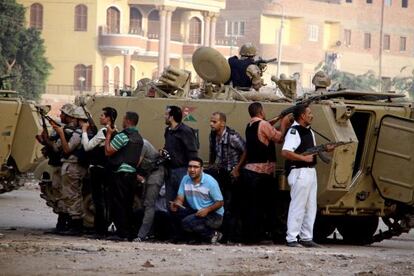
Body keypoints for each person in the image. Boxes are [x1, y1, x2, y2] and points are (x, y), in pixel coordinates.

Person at [282, 104, 332, 248]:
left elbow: (312, 150)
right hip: (299, 171)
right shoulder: (294, 131)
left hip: (310, 171)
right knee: (298, 206)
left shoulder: (309, 131)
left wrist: (325, 149)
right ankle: (291, 238)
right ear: (302, 116)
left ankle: (306, 237)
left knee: (310, 207)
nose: (312, 115)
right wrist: (303, 159)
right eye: (309, 113)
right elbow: (285, 152)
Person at [241, 102, 282, 244]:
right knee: (261, 207)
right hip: (261, 173)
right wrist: (284, 124)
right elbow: (278, 138)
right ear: (261, 112)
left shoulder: (250, 125)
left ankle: (250, 236)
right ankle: (258, 237)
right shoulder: (264, 125)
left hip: (250, 171)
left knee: (251, 206)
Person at [207, 111, 246, 242]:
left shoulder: (232, 137)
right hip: (222, 173)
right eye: (211, 121)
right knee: (221, 203)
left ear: (222, 123)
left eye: (214, 122)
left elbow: (246, 150)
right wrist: (212, 165)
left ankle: (233, 236)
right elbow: (213, 152)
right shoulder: (213, 135)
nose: (211, 124)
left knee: (232, 206)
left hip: (233, 175)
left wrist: (237, 168)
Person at [37, 103, 76, 233]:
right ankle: (62, 225)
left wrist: (48, 141)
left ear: (70, 116)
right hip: (59, 165)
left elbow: (56, 147)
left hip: (62, 166)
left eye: (64, 114)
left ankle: (66, 225)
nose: (61, 116)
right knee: (61, 195)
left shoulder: (68, 132)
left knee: (64, 196)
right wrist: (45, 140)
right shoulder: (65, 130)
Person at [105, 111, 144, 241]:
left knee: (118, 204)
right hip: (132, 173)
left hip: (121, 173)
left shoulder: (123, 136)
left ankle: (121, 232)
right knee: (128, 204)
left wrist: (109, 135)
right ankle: (129, 232)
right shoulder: (139, 137)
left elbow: (108, 151)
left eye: (123, 119)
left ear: (127, 121)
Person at [50, 106, 89, 235]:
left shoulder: (78, 133)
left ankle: (76, 227)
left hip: (73, 166)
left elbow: (67, 150)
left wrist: (61, 133)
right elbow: (57, 148)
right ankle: (65, 224)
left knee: (72, 196)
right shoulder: (76, 132)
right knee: (67, 195)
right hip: (70, 165)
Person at [81, 106, 118, 237]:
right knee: (105, 200)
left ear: (108, 118)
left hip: (97, 169)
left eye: (102, 115)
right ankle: (103, 229)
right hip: (107, 169)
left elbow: (87, 146)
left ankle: (99, 230)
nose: (100, 117)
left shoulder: (104, 131)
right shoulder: (114, 130)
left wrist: (84, 131)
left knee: (98, 200)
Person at [170, 157, 224, 244]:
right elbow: (180, 198)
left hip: (213, 214)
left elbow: (220, 202)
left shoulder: (210, 182)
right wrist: (176, 204)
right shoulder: (185, 179)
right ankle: (188, 238)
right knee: (175, 212)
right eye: (190, 167)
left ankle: (213, 234)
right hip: (196, 211)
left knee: (187, 222)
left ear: (202, 169)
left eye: (195, 167)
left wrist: (207, 210)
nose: (192, 169)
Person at [163, 105, 198, 204]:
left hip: (182, 171)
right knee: (170, 202)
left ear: (172, 117)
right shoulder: (168, 131)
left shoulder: (185, 131)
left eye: (166, 114)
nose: (165, 116)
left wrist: (191, 171)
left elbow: (192, 152)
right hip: (169, 171)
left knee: (184, 201)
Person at [135, 138, 165, 241]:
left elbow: (136, 164)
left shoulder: (142, 144)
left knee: (149, 205)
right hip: (150, 172)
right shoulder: (139, 143)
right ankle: (149, 233)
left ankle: (142, 235)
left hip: (155, 172)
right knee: (146, 204)